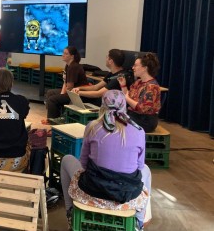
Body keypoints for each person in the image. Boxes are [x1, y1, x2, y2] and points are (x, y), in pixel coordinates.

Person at [60, 90, 151, 231]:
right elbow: (138, 168)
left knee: (66, 159)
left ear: (102, 106)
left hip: (93, 189)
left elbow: (83, 164)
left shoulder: (92, 127)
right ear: (124, 106)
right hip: (125, 193)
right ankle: (139, 221)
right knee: (146, 170)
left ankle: (70, 212)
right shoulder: (139, 131)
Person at [118, 53, 161, 133]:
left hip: (145, 121)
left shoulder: (152, 87)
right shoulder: (138, 82)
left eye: (135, 65)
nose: (133, 67)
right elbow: (129, 97)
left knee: (115, 121)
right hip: (134, 115)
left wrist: (126, 98)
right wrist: (123, 86)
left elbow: (142, 108)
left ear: (144, 68)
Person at [44, 46, 88, 122]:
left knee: (52, 99)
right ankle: (55, 116)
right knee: (50, 92)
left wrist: (61, 95)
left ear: (72, 56)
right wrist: (61, 93)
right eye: (63, 53)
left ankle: (53, 121)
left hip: (76, 94)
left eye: (66, 54)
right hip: (70, 91)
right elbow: (65, 82)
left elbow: (70, 87)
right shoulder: (68, 65)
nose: (63, 55)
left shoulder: (74, 67)